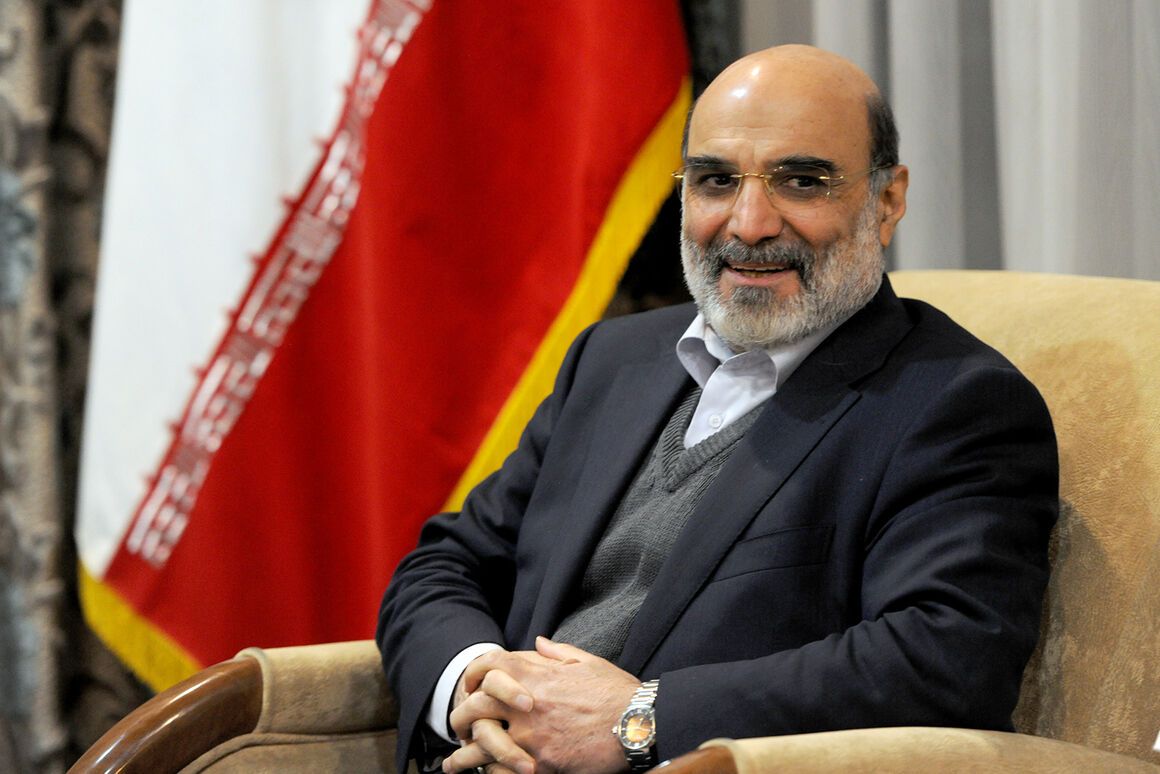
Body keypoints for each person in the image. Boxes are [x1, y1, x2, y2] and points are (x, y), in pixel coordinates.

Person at [377, 44, 1058, 774]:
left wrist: (638, 719)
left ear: (887, 200)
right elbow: (448, 563)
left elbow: (944, 658)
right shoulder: (612, 360)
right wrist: (479, 687)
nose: (749, 223)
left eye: (802, 181)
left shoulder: (955, 403)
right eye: (715, 180)